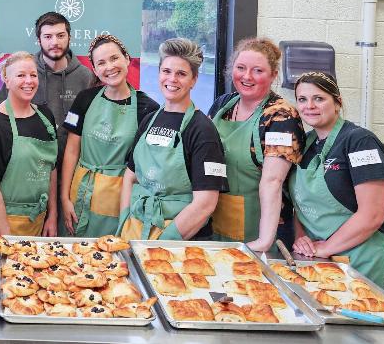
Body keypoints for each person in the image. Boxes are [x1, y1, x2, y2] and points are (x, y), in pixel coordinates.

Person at [290, 72, 384, 298]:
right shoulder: (306, 144)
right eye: (302, 99)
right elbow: (301, 202)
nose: (309, 106)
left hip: (368, 259)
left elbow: (373, 215)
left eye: (319, 98)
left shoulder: (360, 142)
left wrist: (326, 247)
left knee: (370, 329)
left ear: (337, 102)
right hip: (324, 260)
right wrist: (300, 236)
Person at [119, 39, 228, 240]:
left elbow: (205, 203)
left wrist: (165, 241)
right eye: (166, 71)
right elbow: (130, 175)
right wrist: (124, 218)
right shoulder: (149, 120)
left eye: (181, 74)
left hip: (179, 240)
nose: (172, 79)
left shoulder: (203, 130)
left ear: (194, 79)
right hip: (138, 229)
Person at [208, 37, 305, 252]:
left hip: (261, 229)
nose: (247, 76)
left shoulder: (281, 116)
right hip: (218, 219)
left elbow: (273, 181)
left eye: (258, 71)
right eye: (240, 68)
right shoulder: (223, 105)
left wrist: (263, 241)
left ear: (273, 75)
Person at [60, 34, 159, 237]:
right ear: (95, 70)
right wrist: (64, 198)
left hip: (119, 198)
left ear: (127, 59)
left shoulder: (148, 108)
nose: (109, 67)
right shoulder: (84, 99)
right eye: (101, 63)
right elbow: (71, 150)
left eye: (114, 58)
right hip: (79, 192)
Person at [0, 52, 59, 236]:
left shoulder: (45, 116)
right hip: (6, 222)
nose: (28, 81)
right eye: (21, 75)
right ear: (6, 80)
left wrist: (52, 216)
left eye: (33, 75)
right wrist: (7, 238)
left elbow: (51, 169)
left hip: (40, 219)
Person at [0, 12, 94, 158]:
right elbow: (2, 120)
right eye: (48, 36)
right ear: (39, 40)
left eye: (60, 35)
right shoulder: (22, 73)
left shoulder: (85, 77)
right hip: (27, 162)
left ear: (70, 38)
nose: (55, 42)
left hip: (72, 164)